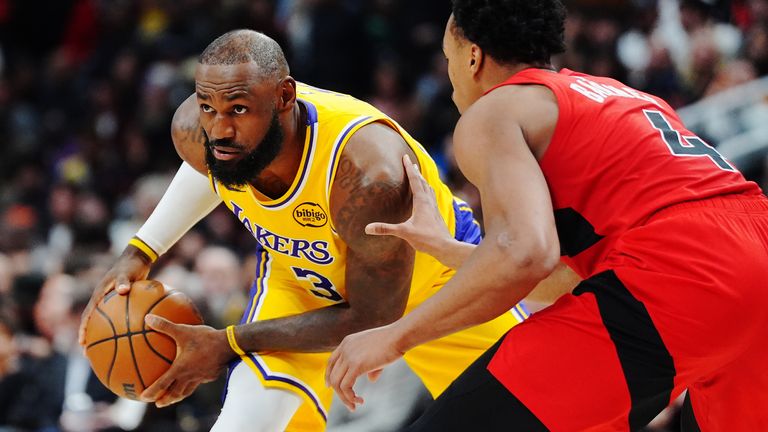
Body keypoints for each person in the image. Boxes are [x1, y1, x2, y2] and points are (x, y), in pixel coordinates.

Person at [325, 1, 768, 431]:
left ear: (473, 56)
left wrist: (395, 336)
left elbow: (526, 254)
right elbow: (567, 277)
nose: (450, 73)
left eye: (449, 56)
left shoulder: (493, 112)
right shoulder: (618, 94)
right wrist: (450, 250)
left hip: (683, 267)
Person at [78, 30, 529, 431]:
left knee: (542, 414)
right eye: (208, 109)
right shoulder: (202, 132)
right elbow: (209, 166)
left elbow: (374, 315)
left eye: (238, 109)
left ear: (285, 98)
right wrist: (139, 252)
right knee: (244, 422)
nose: (221, 129)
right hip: (302, 281)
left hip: (436, 285)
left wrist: (228, 343)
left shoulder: (368, 173)